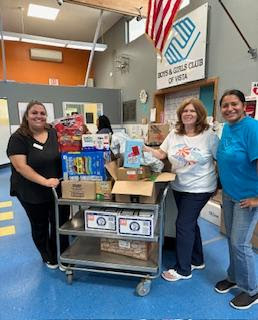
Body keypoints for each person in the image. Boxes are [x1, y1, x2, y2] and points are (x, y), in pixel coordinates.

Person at [144, 98, 219, 281]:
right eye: (185, 111)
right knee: (190, 223)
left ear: (199, 114)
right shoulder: (174, 134)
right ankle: (197, 259)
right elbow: (162, 154)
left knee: (183, 225)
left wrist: (220, 184)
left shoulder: (209, 135)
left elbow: (219, 159)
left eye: (192, 111)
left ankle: (183, 269)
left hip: (201, 187)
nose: (188, 114)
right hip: (180, 186)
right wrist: (143, 148)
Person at [6, 101, 69, 269]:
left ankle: (63, 254)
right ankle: (49, 256)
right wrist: (45, 182)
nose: (39, 116)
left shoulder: (54, 132)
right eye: (34, 113)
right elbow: (21, 167)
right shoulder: (18, 138)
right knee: (40, 225)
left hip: (57, 187)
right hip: (30, 190)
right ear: (26, 116)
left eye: (42, 113)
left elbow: (68, 148)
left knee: (60, 222)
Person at [216, 89, 258, 310]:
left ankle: (252, 289)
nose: (230, 108)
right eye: (225, 105)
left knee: (240, 243)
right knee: (231, 240)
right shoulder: (228, 128)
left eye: (234, 104)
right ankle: (233, 277)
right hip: (230, 195)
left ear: (243, 105)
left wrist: (257, 199)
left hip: (247, 198)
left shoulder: (252, 128)